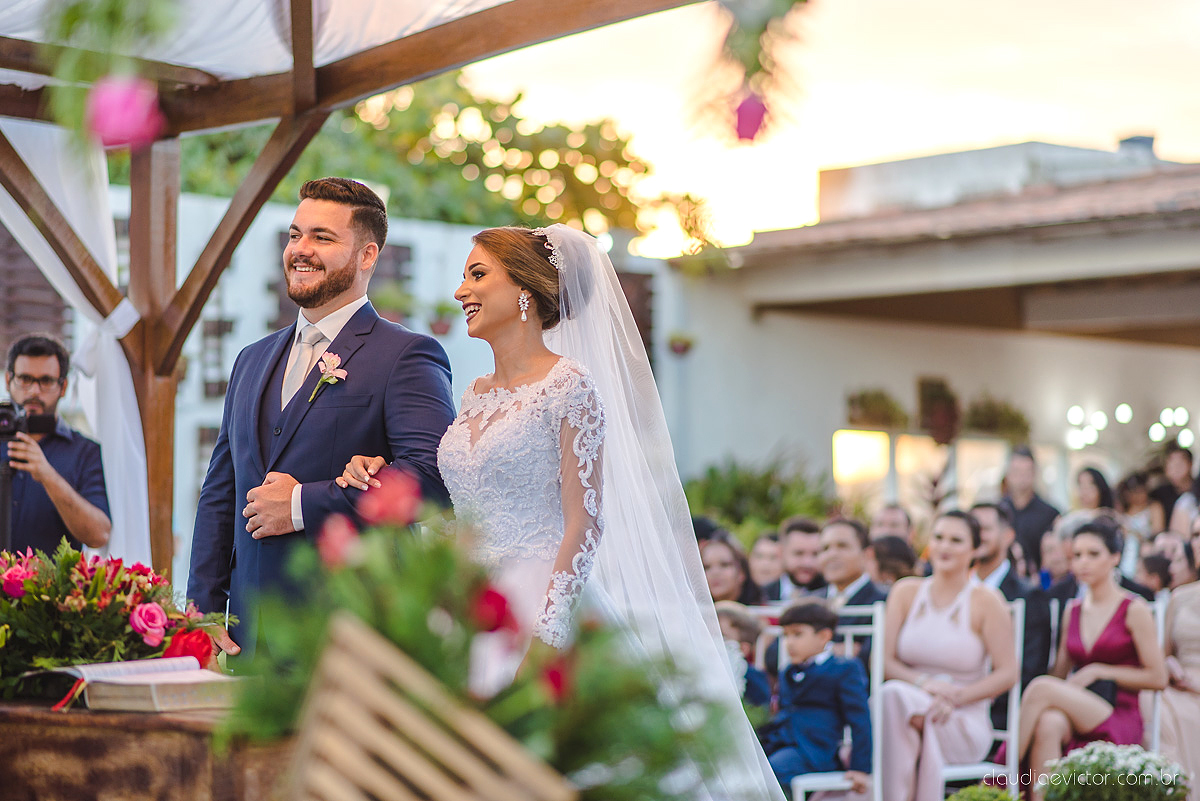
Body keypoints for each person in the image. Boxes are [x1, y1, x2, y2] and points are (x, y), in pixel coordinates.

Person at [342, 224, 785, 799]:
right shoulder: (474, 392)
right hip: (470, 603)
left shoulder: (569, 385)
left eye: (478, 275)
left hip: (543, 600)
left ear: (525, 290)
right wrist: (386, 485)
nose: (460, 292)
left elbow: (586, 519)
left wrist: (549, 628)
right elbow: (471, 510)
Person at [189, 178, 456, 663]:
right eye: (295, 235)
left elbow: (434, 479)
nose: (301, 250)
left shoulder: (407, 356)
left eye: (322, 237)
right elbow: (220, 491)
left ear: (368, 256)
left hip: (349, 629)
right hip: (247, 635)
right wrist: (203, 609)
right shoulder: (251, 359)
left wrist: (299, 504)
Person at [1016, 520, 1167, 800]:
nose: (1083, 563)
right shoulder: (1071, 611)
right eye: (1077, 555)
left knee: (1039, 688)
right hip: (1080, 704)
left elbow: (1158, 678)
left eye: (1093, 554)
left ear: (1115, 557)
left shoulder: (1134, 609)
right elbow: (1059, 676)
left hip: (1119, 709)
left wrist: (1100, 671)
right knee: (1048, 722)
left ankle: (1004, 774)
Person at [879, 510, 1017, 801]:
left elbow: (1008, 673)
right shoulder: (905, 592)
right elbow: (884, 662)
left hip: (959, 719)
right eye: (939, 537)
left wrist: (956, 697)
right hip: (909, 705)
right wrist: (924, 685)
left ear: (975, 549)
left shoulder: (987, 601)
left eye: (956, 540)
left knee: (891, 701)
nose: (944, 547)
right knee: (893, 697)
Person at [3, 334, 110, 552]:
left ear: (63, 387)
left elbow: (99, 535)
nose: (34, 391)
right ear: (8, 381)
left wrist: (47, 475)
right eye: (25, 379)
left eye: (46, 381)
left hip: (52, 586)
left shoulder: (85, 452)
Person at [758, 602, 872, 796]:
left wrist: (861, 768)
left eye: (797, 634)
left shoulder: (844, 668)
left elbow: (859, 719)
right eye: (786, 635)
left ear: (824, 636)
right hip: (780, 741)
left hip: (815, 750)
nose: (789, 642)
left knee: (772, 771)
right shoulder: (788, 671)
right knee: (743, 766)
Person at [969, 502, 1052, 734]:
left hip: (1000, 716)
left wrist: (975, 697)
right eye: (971, 529)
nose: (977, 536)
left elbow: (1030, 669)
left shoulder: (1028, 597)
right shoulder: (955, 593)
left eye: (984, 529)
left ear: (1007, 536)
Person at [1159, 578, 1200, 801]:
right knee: (1151, 701)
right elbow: (1162, 654)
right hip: (1177, 686)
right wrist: (1169, 663)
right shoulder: (1180, 597)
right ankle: (1172, 787)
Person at [1000, 447, 1060, 572]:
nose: (1021, 477)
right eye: (1016, 471)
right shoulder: (998, 511)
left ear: (1034, 473)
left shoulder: (1050, 514)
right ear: (1008, 474)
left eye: (1026, 472)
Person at [714, 600, 771, 710]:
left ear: (743, 648)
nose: (713, 641)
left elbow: (760, 711)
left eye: (722, 636)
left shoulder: (752, 677)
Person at [763, 516, 825, 602]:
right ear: (780, 552)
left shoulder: (834, 594)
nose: (807, 562)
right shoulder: (762, 596)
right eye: (799, 553)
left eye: (815, 554)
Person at [701, 531, 765, 606]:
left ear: (741, 572)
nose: (715, 572)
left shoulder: (766, 614)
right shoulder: (690, 613)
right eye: (706, 567)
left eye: (724, 565)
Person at [1154, 441, 1195, 530]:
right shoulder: (1160, 494)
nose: (1175, 470)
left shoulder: (1197, 490)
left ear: (1190, 464)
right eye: (1170, 466)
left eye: (1178, 465)